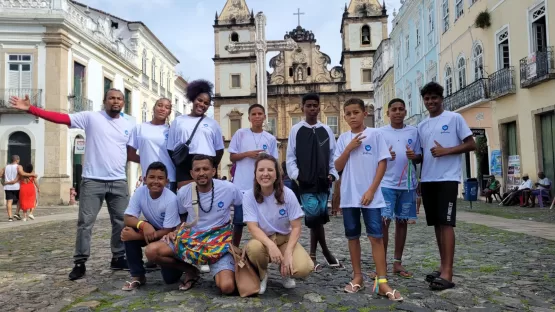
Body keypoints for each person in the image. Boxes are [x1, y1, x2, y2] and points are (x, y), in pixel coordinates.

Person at [10, 89, 134, 280]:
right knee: (85, 223)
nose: (115, 101)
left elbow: (132, 150)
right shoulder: (91, 118)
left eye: (119, 98)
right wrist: (32, 109)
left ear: (123, 103)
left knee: (121, 221)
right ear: (105, 101)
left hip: (118, 181)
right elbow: (60, 118)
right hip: (93, 180)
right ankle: (80, 262)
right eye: (111, 98)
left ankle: (118, 257)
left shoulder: (129, 123)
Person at [334, 98, 403, 300]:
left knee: (376, 237)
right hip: (349, 197)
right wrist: (349, 148)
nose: (352, 116)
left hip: (371, 197)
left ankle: (382, 281)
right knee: (352, 237)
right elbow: (337, 167)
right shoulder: (343, 139)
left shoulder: (375, 134)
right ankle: (357, 277)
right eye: (348, 113)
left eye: (356, 112)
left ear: (365, 113)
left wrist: (372, 190)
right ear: (344, 116)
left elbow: (382, 163)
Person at [145, 155, 240, 294]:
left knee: (227, 287)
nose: (201, 173)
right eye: (197, 169)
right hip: (192, 239)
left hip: (219, 244)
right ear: (192, 173)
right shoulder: (183, 192)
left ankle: (219, 268)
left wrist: (234, 245)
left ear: (213, 171)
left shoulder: (229, 189)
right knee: (151, 251)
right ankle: (191, 270)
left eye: (205, 169)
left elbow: (240, 214)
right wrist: (176, 230)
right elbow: (182, 216)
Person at [415, 82, 476, 290]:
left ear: (442, 98)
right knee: (438, 225)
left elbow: (471, 144)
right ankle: (442, 267)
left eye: (434, 97)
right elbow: (425, 155)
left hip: (447, 179)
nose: (431, 101)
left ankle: (448, 274)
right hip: (428, 179)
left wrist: (446, 151)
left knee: (447, 223)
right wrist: (415, 157)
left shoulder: (454, 118)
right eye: (427, 98)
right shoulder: (422, 126)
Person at [286, 93, 341, 271]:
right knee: (314, 218)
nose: (312, 108)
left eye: (315, 105)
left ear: (319, 107)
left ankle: (312, 255)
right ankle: (325, 252)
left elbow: (333, 155)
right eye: (308, 105)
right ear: (303, 108)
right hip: (306, 182)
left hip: (323, 181)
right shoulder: (296, 130)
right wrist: (297, 175)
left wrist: (332, 174)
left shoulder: (326, 130)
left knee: (318, 219)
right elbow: (290, 156)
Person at [244, 153, 314, 294]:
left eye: (270, 170)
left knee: (303, 268)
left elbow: (296, 227)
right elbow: (252, 227)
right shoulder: (249, 196)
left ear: (276, 174)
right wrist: (270, 245)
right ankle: (262, 274)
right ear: (255, 174)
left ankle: (285, 271)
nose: (265, 174)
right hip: (263, 240)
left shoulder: (288, 194)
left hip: (284, 239)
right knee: (254, 249)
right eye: (261, 170)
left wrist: (288, 253)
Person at [120, 162, 181, 291]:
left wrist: (137, 235)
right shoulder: (140, 192)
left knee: (170, 279)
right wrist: (142, 224)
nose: (155, 181)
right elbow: (127, 217)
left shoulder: (171, 199)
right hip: (153, 228)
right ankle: (137, 275)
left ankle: (182, 266)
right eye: (152, 177)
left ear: (167, 181)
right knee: (127, 232)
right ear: (144, 179)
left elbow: (168, 230)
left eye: (160, 178)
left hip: (169, 235)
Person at [380, 98, 421, 279]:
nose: (397, 112)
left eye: (401, 109)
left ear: (406, 112)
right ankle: (382, 264)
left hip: (407, 185)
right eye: (394, 109)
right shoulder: (379, 133)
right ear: (387, 113)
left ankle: (397, 262)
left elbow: (420, 157)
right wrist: (385, 155)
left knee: (402, 222)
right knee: (384, 223)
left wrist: (415, 156)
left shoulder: (414, 131)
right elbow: (373, 158)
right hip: (386, 184)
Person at [229, 103, 279, 246]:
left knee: (261, 222)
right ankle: (234, 250)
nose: (257, 117)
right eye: (254, 114)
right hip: (242, 185)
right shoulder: (240, 133)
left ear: (264, 117)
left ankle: (261, 250)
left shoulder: (270, 139)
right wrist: (247, 154)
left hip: (262, 186)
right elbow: (232, 157)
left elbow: (274, 162)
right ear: (249, 117)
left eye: (260, 114)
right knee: (238, 222)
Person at [167, 80, 224, 190]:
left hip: (207, 163)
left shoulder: (213, 124)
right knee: (186, 199)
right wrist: (180, 164)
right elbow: (170, 148)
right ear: (193, 99)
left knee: (207, 200)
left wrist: (211, 165)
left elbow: (219, 149)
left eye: (206, 103)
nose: (202, 104)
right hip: (184, 164)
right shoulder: (178, 121)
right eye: (200, 100)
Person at [128, 98, 177, 193]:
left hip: (169, 180)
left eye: (167, 107)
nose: (162, 109)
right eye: (160, 105)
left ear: (169, 113)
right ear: (154, 108)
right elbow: (130, 154)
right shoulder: (140, 128)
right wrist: (147, 162)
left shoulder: (172, 131)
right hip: (149, 179)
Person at [1, 155, 35, 222]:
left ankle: (10, 217)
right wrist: (32, 174)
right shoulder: (19, 166)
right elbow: (22, 173)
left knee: (9, 201)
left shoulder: (5, 167)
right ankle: (17, 212)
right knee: (19, 200)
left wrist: (5, 179)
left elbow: (0, 174)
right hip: (16, 186)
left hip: (7, 187)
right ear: (17, 160)